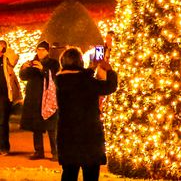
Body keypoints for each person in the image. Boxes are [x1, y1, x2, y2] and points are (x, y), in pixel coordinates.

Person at [53, 47, 118, 181]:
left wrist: (91, 69)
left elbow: (77, 78)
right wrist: (109, 71)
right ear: (80, 62)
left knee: (69, 173)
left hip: (68, 134)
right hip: (89, 135)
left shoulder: (60, 81)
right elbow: (109, 87)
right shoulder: (87, 82)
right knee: (91, 173)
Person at [19, 40, 60, 160]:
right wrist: (24, 68)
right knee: (36, 127)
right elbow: (23, 77)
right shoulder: (33, 62)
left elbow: (54, 77)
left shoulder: (53, 63)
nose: (40, 52)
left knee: (51, 128)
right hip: (34, 99)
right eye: (38, 50)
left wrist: (43, 69)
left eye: (42, 50)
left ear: (47, 51)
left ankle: (55, 152)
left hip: (47, 99)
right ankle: (38, 151)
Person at [0, 39, 22, 156]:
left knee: (3, 121)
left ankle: (4, 147)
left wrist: (7, 50)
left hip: (4, 95)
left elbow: (15, 59)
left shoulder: (7, 59)